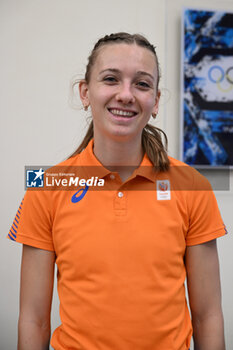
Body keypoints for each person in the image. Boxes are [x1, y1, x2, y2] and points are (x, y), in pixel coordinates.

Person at [8, 32, 227, 350]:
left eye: (141, 84)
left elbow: (208, 317)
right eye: (111, 79)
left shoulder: (193, 187)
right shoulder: (46, 186)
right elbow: (33, 320)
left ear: (155, 101)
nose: (126, 95)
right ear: (85, 92)